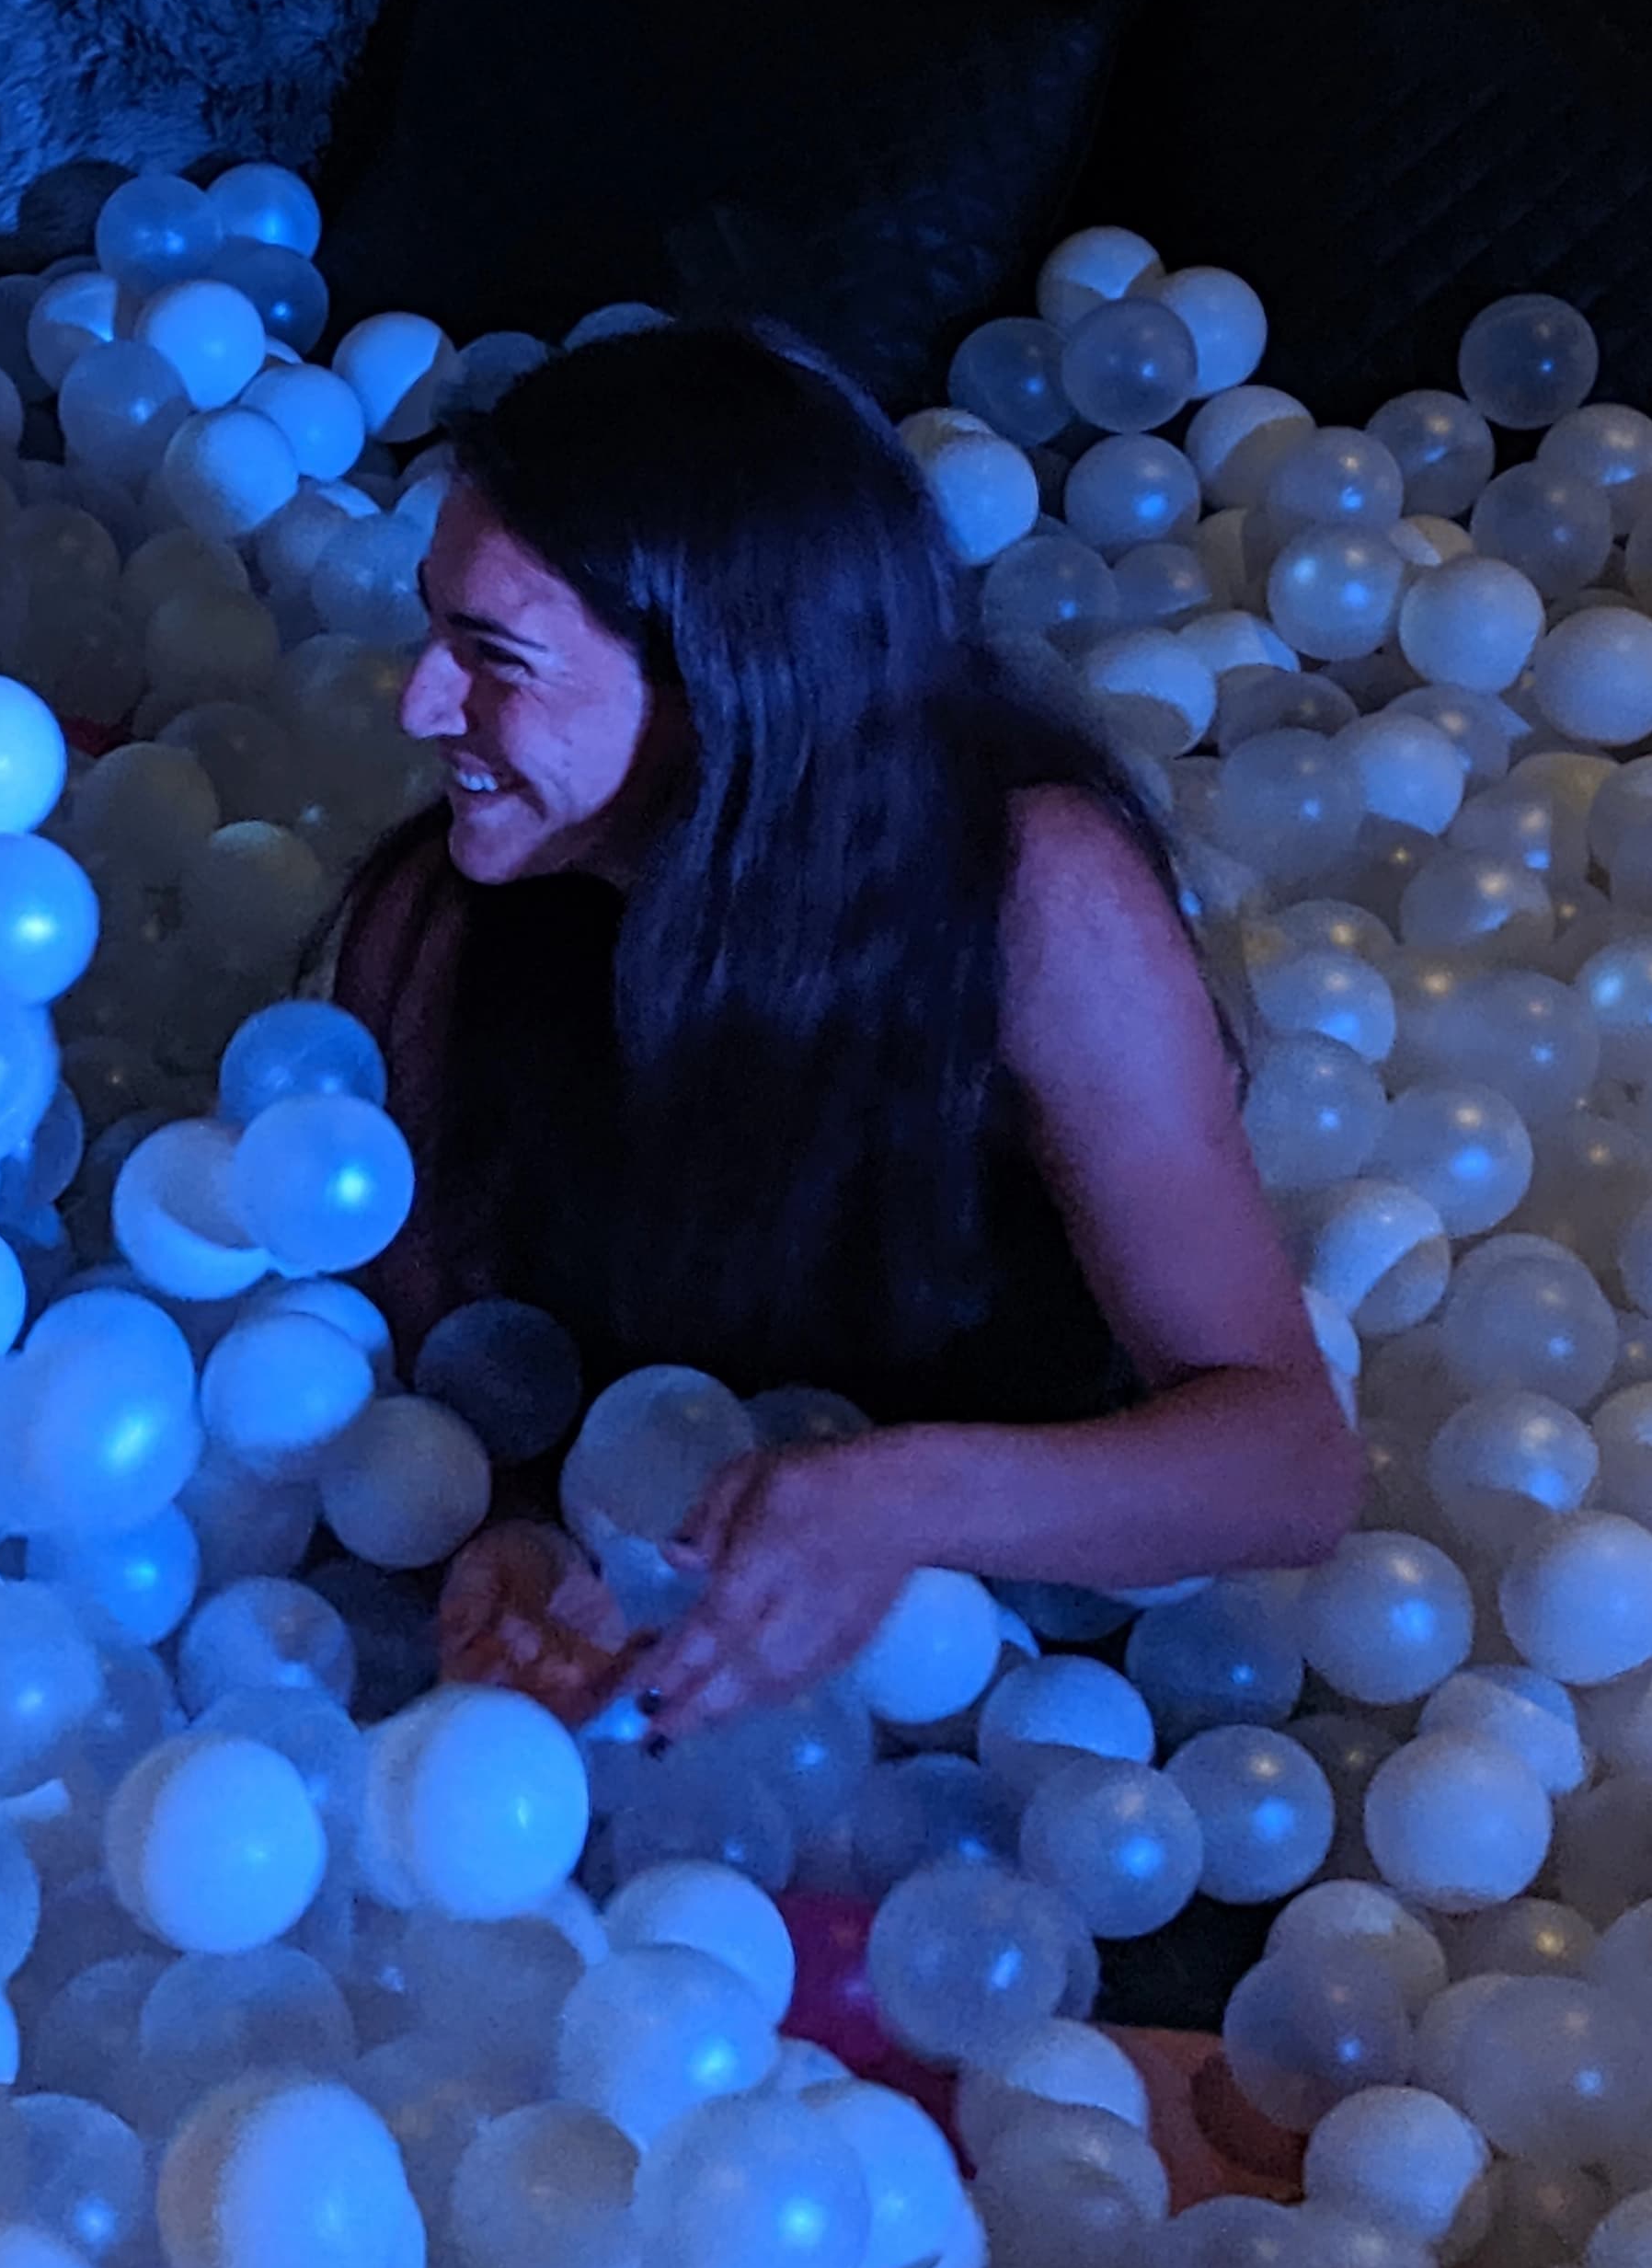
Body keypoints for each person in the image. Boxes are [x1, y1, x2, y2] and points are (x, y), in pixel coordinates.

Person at [332, 320, 1363, 1752]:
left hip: (1036, 1677)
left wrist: (898, 1499)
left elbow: (1293, 1466)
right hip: (653, 1681)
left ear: (722, 693)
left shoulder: (1028, 897)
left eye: (494, 655)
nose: (420, 702)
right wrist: (506, 1539)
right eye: (431, 625)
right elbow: (442, 1358)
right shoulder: (444, 926)